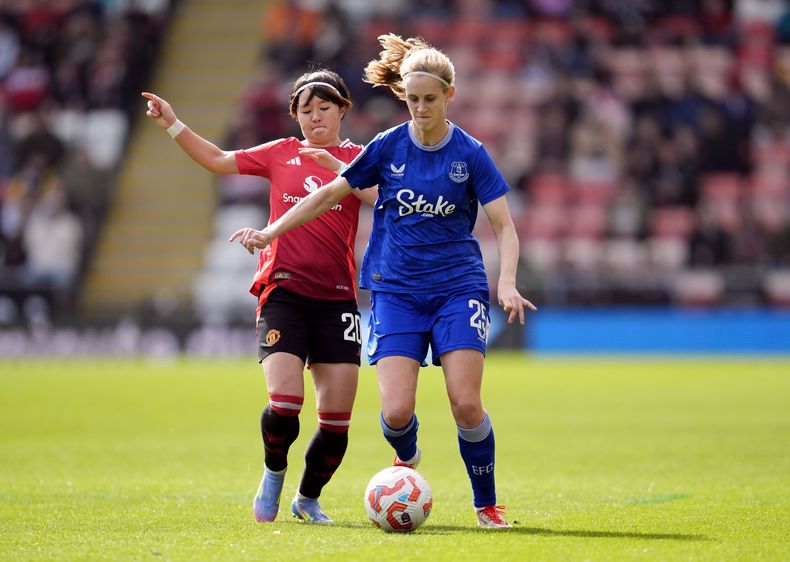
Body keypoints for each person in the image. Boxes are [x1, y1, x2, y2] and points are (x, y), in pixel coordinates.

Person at [230, 34, 537, 529]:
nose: (420, 108)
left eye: (429, 100)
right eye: (412, 99)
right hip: (395, 291)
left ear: (448, 97)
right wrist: (269, 232)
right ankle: (407, 452)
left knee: (465, 402)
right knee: (395, 413)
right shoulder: (386, 146)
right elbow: (328, 195)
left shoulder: (471, 153)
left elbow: (503, 224)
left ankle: (487, 505)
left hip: (458, 288)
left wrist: (506, 282)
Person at [142, 69, 377, 525]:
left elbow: (381, 199)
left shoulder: (359, 158)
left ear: (343, 109)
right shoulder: (279, 153)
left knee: (336, 424)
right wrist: (172, 123)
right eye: (305, 110)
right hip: (283, 291)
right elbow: (215, 159)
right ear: (295, 116)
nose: (315, 118)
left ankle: (307, 499)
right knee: (286, 401)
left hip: (337, 298)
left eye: (324, 108)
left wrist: (342, 171)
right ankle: (273, 474)